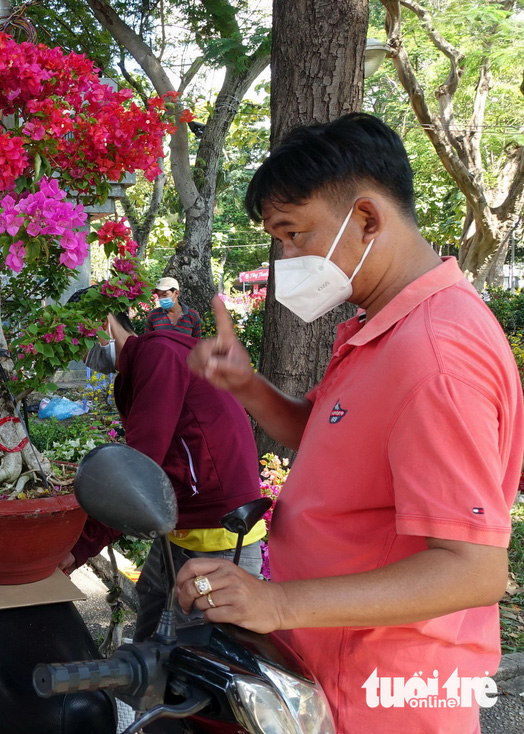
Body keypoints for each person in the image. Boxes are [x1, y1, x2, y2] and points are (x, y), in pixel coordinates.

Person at [181, 113, 523, 732]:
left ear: (365, 218)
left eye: (293, 235)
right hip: (340, 664)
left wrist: (276, 601)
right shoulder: (386, 329)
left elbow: (472, 569)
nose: (286, 257)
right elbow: (334, 445)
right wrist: (248, 386)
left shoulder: (434, 356)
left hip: (385, 689)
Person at [64, 312, 264, 641]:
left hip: (219, 535)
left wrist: (80, 546)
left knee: (193, 662)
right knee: (149, 643)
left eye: (80, 344)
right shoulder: (136, 369)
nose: (83, 356)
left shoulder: (158, 355)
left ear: (104, 324)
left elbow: (136, 475)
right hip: (178, 527)